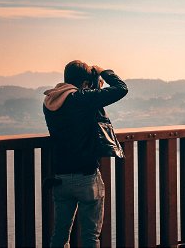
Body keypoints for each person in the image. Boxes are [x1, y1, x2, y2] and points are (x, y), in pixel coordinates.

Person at [43, 60, 128, 247]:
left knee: (59, 236)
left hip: (60, 177)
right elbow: (121, 88)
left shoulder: (49, 101)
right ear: (84, 83)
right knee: (90, 237)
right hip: (87, 177)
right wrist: (103, 71)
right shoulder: (82, 99)